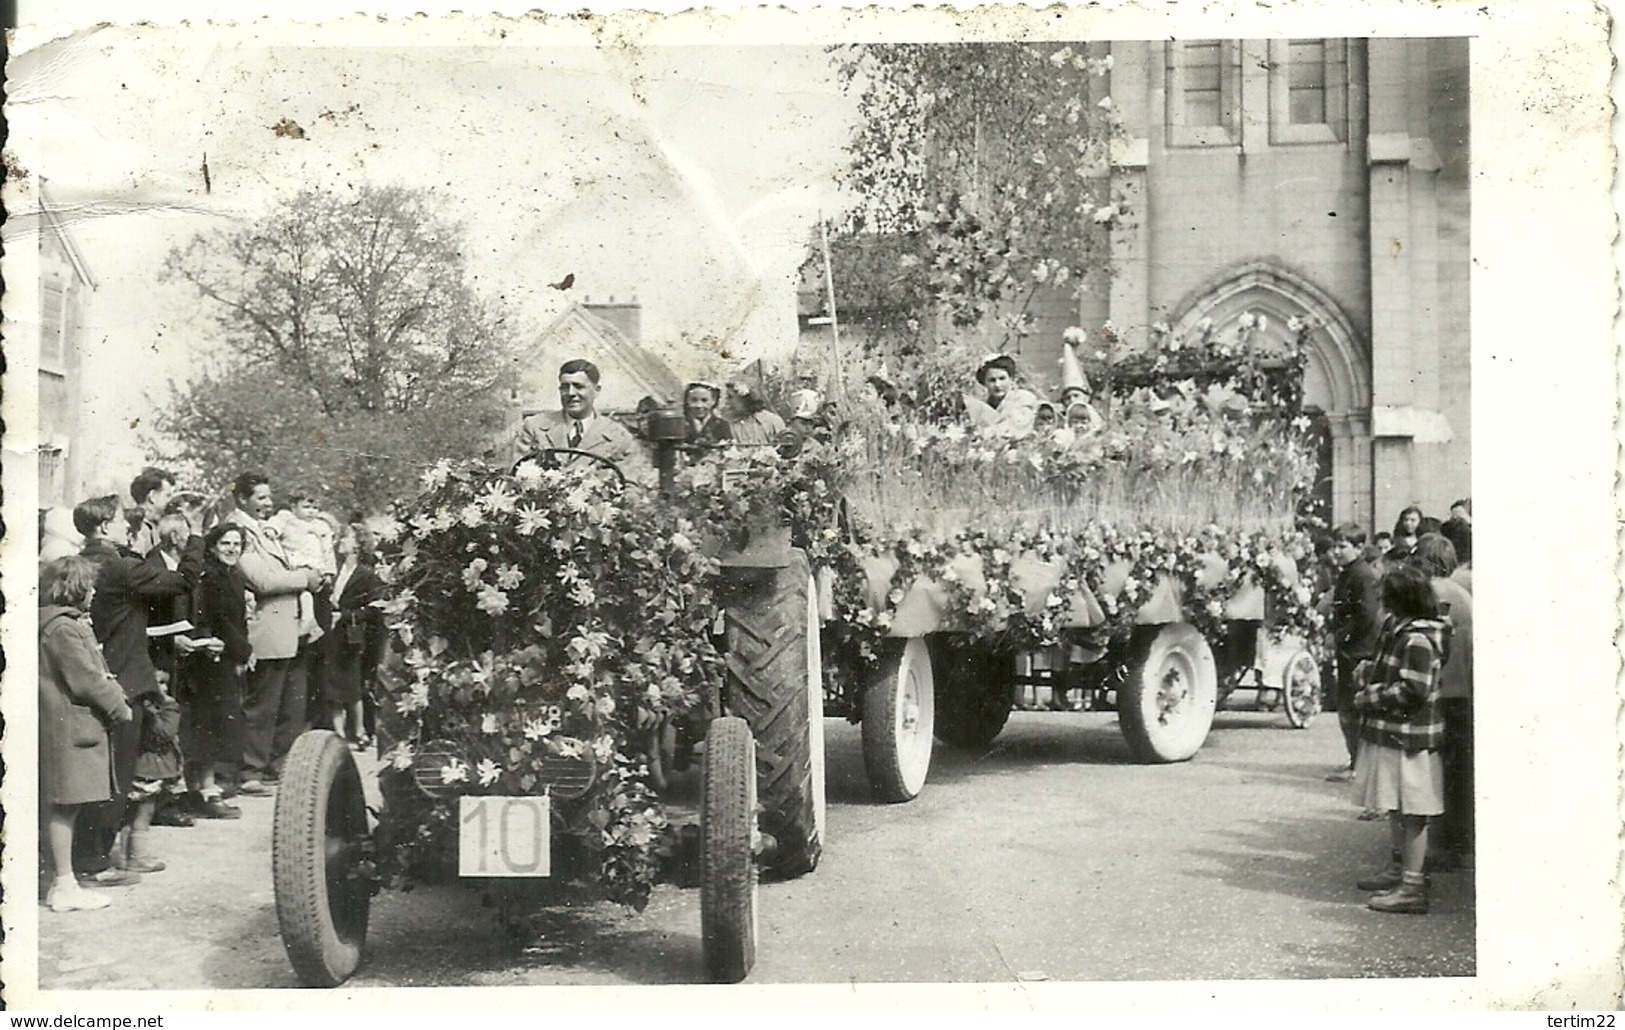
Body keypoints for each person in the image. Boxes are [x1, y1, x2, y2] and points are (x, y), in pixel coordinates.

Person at [76, 494, 192, 878]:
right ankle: (96, 860)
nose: (132, 530)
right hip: (126, 681)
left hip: (93, 676)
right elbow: (183, 581)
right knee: (121, 774)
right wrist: (193, 540)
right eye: (125, 524)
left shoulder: (80, 561)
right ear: (106, 526)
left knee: (97, 772)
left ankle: (102, 854)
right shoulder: (119, 566)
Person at [1349, 563, 1451, 915]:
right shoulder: (1401, 630)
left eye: (1388, 598)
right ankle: (1400, 870)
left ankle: (1412, 885)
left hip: (1410, 740)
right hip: (1396, 736)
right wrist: (1370, 670)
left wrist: (1370, 696)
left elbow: (1414, 689)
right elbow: (1396, 670)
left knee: (1413, 813)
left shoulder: (1418, 637)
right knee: (1397, 805)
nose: (1383, 604)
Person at [39, 556, 133, 911]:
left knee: (67, 805)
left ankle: (62, 880)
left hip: (66, 725)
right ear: (76, 589)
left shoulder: (61, 623)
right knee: (65, 805)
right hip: (70, 725)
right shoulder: (63, 628)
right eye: (89, 586)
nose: (94, 592)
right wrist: (118, 705)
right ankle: (63, 885)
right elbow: (86, 679)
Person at [225, 472, 325, 796]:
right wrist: (305, 578)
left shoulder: (264, 530)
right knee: (263, 705)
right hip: (266, 629)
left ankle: (278, 765)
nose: (268, 504)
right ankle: (251, 770)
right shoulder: (237, 530)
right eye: (261, 498)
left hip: (289, 627)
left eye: (269, 497)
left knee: (291, 704)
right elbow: (262, 579)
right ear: (242, 498)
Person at [1411, 533, 1474, 872]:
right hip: (1462, 691)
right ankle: (1458, 844)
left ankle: (1437, 847)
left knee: (1432, 772)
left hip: (1436, 692)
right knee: (1458, 772)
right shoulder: (1463, 594)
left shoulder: (1430, 594)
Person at [183, 524, 252, 819]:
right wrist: (245, 651)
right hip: (208, 657)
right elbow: (221, 619)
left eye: (237, 543)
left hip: (224, 655)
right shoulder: (212, 577)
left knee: (217, 721)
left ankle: (204, 787)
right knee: (209, 721)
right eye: (226, 543)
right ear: (212, 546)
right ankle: (206, 790)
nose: (232, 549)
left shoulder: (232, 575)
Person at [514, 359, 650, 476]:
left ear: (596, 390)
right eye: (565, 387)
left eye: (579, 387)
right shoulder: (535, 427)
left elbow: (630, 488)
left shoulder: (618, 436)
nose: (571, 393)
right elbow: (516, 474)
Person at [321, 523, 389, 747]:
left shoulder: (367, 575)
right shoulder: (336, 570)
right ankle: (339, 734)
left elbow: (375, 608)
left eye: (346, 538)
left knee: (351, 684)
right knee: (333, 684)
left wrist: (346, 615)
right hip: (333, 635)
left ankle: (359, 732)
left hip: (352, 635)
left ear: (357, 545)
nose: (341, 541)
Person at [1326, 522, 1383, 781]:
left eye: (1343, 546)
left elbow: (1366, 615)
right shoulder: (1350, 572)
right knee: (1348, 707)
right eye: (1335, 546)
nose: (1336, 551)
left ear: (1359, 547)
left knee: (1355, 708)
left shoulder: (1362, 575)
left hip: (1360, 650)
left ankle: (1359, 765)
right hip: (1351, 648)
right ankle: (1355, 760)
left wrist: (1339, 637)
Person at [967, 354, 1039, 438]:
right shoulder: (984, 405)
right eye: (992, 380)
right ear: (984, 383)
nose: (997, 385)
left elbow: (1016, 429)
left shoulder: (1024, 399)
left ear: (1011, 379)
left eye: (1002, 378)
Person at [128, 466, 177, 556]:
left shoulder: (148, 526)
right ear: (152, 496)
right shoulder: (141, 528)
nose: (170, 501)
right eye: (167, 495)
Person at [725, 377, 787, 446]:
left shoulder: (772, 421)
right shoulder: (733, 425)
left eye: (730, 397)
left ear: (744, 398)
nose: (727, 401)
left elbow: (786, 450)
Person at [683, 381, 732, 449]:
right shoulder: (680, 424)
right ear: (687, 401)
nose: (699, 405)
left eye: (704, 400)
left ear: (713, 401)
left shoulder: (722, 425)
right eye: (694, 400)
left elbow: (728, 449)